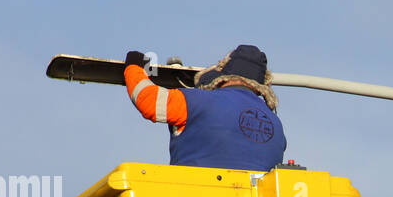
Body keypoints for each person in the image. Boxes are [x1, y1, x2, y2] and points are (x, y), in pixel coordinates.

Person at [122, 45, 287, 171]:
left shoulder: (198, 102)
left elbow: (149, 101)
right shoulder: (276, 124)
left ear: (224, 74)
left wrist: (134, 66)